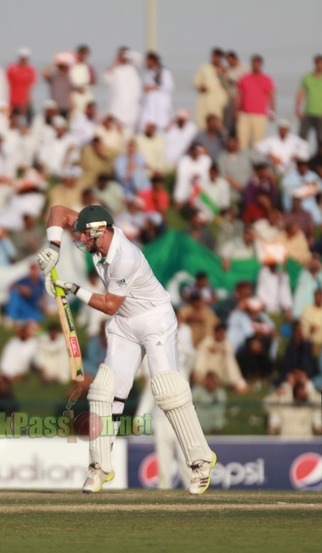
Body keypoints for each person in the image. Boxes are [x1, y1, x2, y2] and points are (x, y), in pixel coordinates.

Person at [39, 204, 216, 495]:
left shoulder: (126, 257)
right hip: (125, 323)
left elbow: (109, 305)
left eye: (86, 236)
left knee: (168, 390)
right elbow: (59, 210)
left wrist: (72, 289)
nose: (82, 241)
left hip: (154, 319)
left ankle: (201, 461)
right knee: (103, 391)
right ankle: (100, 467)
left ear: (101, 231)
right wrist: (53, 247)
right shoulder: (96, 231)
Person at [234, 55, 276, 150]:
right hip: (245, 114)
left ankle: (257, 163)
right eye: (254, 63)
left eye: (258, 63)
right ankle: (243, 161)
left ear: (261, 64)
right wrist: (235, 110)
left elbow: (272, 96)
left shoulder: (266, 79)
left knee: (259, 142)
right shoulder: (244, 78)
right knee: (242, 141)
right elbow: (238, 95)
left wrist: (272, 112)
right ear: (251, 64)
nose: (256, 65)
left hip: (260, 115)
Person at [104, 47, 141, 132]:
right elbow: (106, 78)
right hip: (118, 109)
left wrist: (127, 54)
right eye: (120, 55)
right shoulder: (116, 70)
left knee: (130, 134)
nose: (122, 57)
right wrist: (114, 64)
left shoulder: (134, 68)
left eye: (123, 55)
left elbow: (140, 58)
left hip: (131, 109)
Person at [192, 48, 229, 128]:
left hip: (219, 103)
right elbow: (195, 82)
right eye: (214, 56)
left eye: (218, 57)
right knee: (203, 124)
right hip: (206, 102)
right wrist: (201, 86)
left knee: (219, 124)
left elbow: (230, 87)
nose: (215, 58)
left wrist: (223, 73)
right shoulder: (204, 67)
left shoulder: (224, 70)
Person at [139, 51, 174, 131]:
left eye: (148, 61)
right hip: (150, 103)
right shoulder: (147, 73)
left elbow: (169, 86)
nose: (146, 63)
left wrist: (154, 88)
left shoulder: (164, 72)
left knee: (161, 124)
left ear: (153, 61)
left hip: (160, 103)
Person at [6, 48, 35, 121]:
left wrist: (25, 103)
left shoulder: (30, 70)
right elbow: (8, 84)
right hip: (12, 102)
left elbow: (29, 88)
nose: (23, 60)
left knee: (28, 122)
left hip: (25, 103)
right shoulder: (12, 68)